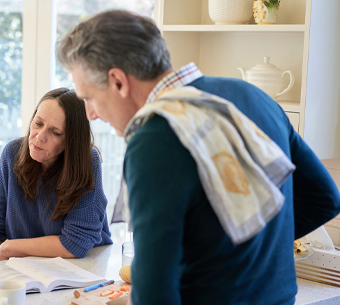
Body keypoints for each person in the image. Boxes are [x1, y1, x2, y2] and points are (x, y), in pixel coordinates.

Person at [57, 10, 340, 305]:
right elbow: (325, 199)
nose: (91, 114)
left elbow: (154, 293)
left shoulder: (154, 137)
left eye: (88, 97)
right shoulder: (252, 96)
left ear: (118, 81)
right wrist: (254, 249)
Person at [0, 88, 112, 260]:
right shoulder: (12, 153)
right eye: (38, 123)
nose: (39, 137)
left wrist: (10, 247)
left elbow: (76, 244)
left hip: (85, 265)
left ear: (71, 141)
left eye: (55, 132)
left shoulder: (87, 161)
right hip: (31, 268)